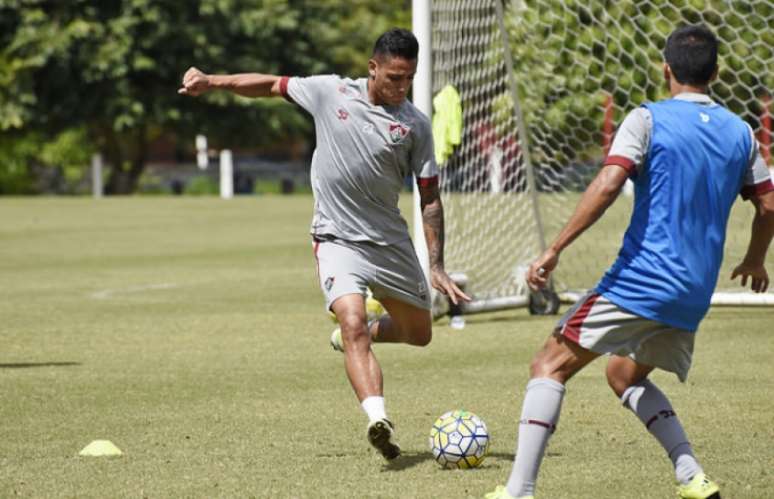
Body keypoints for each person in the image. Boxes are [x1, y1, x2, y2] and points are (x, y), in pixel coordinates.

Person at [486, 25, 774, 499]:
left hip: (643, 279)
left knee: (548, 364)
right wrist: (756, 261)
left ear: (666, 70)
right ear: (716, 73)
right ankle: (690, 476)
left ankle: (519, 491)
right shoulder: (741, 132)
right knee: (622, 374)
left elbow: (607, 183)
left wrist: (554, 249)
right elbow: (768, 206)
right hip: (694, 291)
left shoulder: (647, 118)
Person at [179, 28, 470, 461]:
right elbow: (268, 84)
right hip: (336, 238)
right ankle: (377, 417)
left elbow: (430, 198)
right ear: (372, 68)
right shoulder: (329, 92)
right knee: (352, 320)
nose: (401, 86)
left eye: (408, 78)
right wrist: (212, 81)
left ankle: (361, 335)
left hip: (388, 243)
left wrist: (437, 264)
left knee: (419, 334)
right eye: (393, 77)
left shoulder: (414, 126)